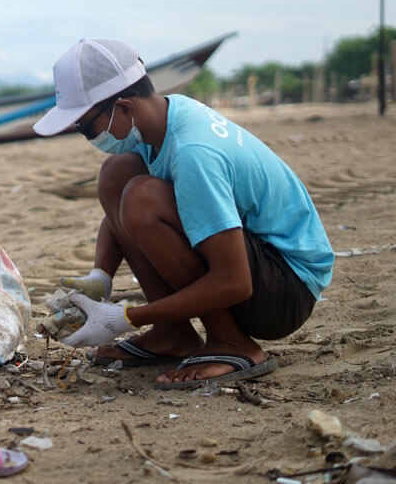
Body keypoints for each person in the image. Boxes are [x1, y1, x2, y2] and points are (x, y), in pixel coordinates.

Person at [33, 38, 333, 389]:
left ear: (125, 108)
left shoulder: (194, 153)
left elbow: (235, 281)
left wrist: (126, 317)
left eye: (85, 127)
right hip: (260, 267)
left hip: (287, 289)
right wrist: (101, 275)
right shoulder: (163, 119)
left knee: (142, 198)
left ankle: (232, 342)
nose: (87, 136)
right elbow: (118, 217)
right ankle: (171, 334)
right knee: (118, 174)